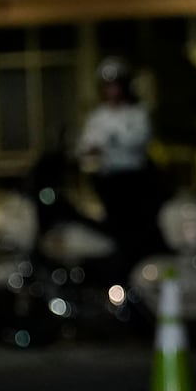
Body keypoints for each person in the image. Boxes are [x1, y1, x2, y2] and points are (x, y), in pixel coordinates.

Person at [74, 55, 163, 259]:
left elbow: (137, 139)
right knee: (113, 227)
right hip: (109, 181)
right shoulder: (98, 116)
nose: (113, 90)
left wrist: (110, 142)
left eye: (116, 85)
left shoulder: (137, 113)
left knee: (138, 227)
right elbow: (86, 144)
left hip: (135, 180)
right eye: (108, 85)